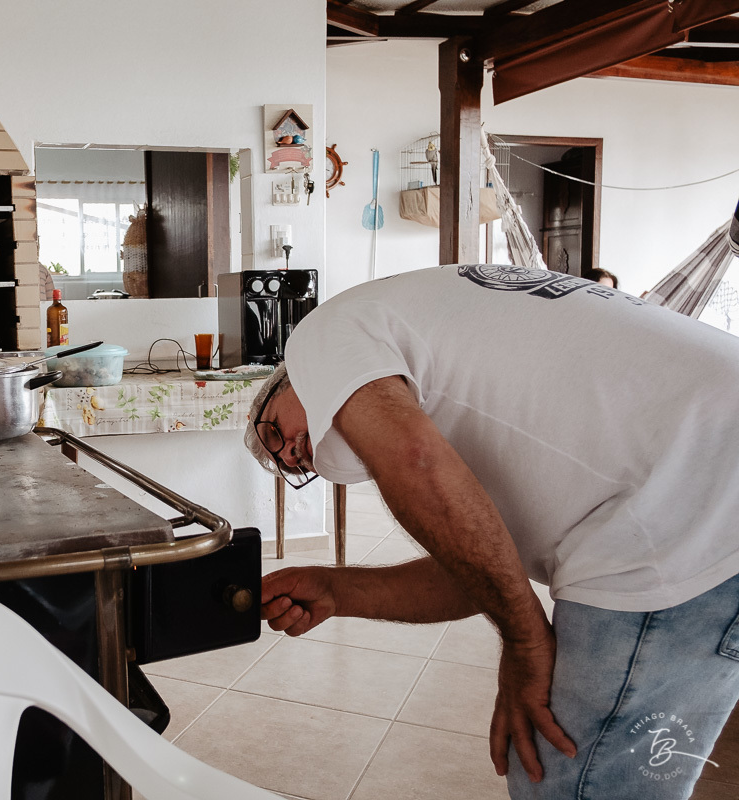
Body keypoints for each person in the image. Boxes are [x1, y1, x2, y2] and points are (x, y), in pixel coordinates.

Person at [247, 264, 739, 800]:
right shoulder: (452, 355)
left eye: (275, 430)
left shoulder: (318, 337)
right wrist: (339, 591)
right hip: (703, 480)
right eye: (286, 464)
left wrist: (526, 641)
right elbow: (478, 565)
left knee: (567, 779)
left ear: (291, 377)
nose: (290, 452)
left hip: (686, 498)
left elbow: (415, 464)